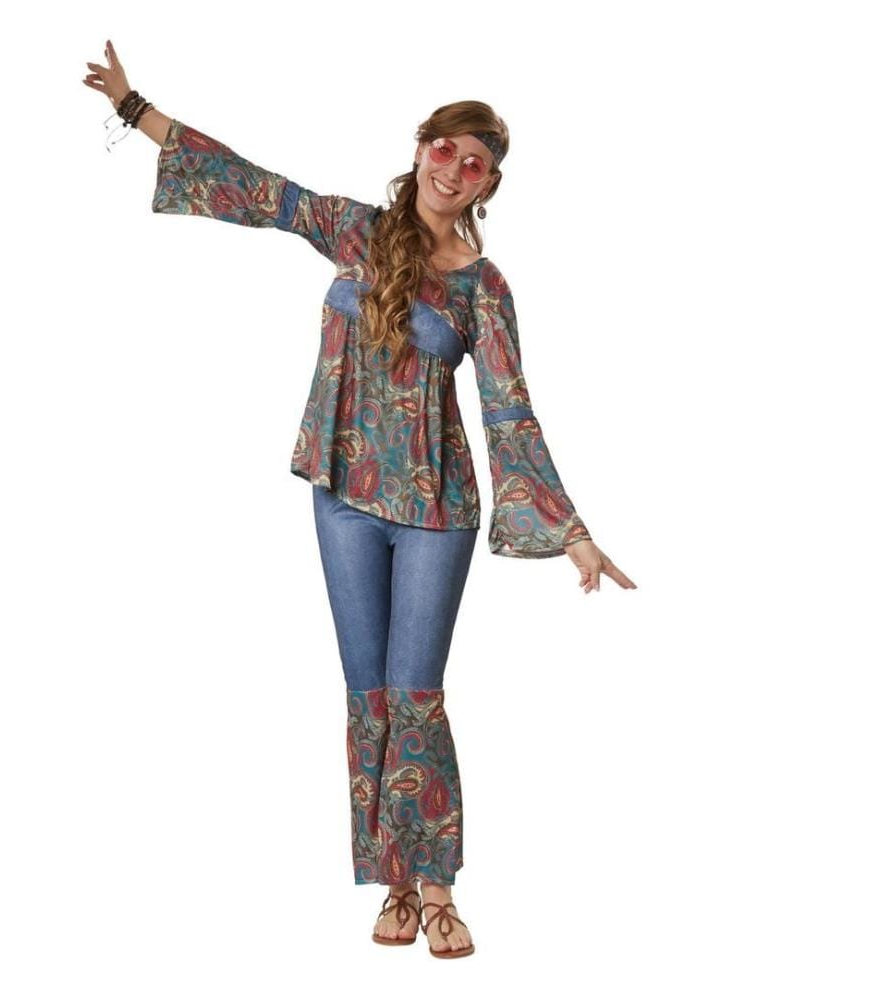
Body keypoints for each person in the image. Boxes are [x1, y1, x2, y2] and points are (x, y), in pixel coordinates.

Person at [84, 39, 637, 960]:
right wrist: (136, 109)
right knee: (368, 695)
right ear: (420, 148)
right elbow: (256, 188)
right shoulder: (354, 232)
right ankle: (392, 883)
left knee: (417, 695)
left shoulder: (484, 288)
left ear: (488, 186)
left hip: (435, 509)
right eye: (445, 148)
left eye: (475, 163)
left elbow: (509, 409)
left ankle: (439, 886)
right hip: (342, 493)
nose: (454, 169)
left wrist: (571, 533)